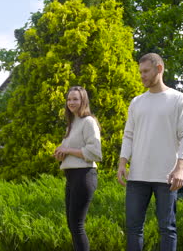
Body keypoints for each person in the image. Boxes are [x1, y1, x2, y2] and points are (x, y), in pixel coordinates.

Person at [117, 53, 183, 251]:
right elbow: (128, 135)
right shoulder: (136, 102)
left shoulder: (179, 99)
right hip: (137, 176)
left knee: (167, 228)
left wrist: (180, 168)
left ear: (159, 69)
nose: (142, 75)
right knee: (134, 229)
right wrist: (122, 163)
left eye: (146, 71)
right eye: (140, 72)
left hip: (166, 176)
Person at [54, 86, 102, 251]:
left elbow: (96, 152)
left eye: (75, 99)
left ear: (83, 101)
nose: (71, 102)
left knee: (77, 225)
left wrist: (67, 150)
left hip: (84, 176)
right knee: (72, 224)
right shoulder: (72, 123)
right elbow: (74, 151)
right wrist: (61, 153)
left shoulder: (88, 121)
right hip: (71, 177)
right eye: (69, 99)